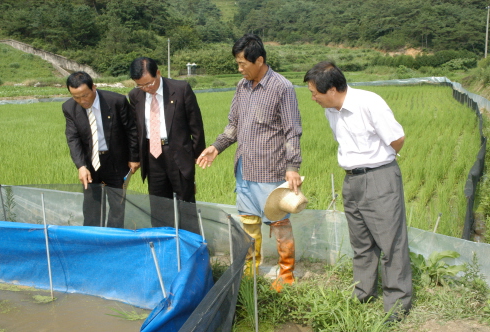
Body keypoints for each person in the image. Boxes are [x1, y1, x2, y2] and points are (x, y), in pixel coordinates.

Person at [303, 61, 412, 322]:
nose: (313, 97)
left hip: (379, 178)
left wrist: (380, 162)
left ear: (331, 89)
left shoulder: (369, 103)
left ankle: (397, 305)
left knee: (391, 243)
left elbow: (397, 139)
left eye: (314, 92)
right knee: (361, 242)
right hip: (351, 181)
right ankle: (363, 293)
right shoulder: (331, 111)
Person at [197, 34, 303, 292]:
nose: (240, 68)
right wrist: (216, 147)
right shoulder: (241, 86)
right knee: (248, 221)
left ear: (259, 60)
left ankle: (286, 274)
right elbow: (234, 124)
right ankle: (251, 269)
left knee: (278, 222)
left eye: (243, 63)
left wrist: (292, 166)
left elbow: (292, 130)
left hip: (271, 168)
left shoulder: (282, 87)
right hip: (244, 167)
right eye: (237, 63)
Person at [128, 57, 205, 229]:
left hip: (177, 152)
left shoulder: (180, 89)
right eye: (140, 85)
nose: (146, 89)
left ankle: (189, 245)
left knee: (185, 203)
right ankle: (163, 244)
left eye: (149, 83)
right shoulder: (135, 96)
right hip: (152, 155)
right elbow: (135, 130)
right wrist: (135, 157)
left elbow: (196, 124)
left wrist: (196, 154)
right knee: (158, 205)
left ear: (158, 73)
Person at [63, 71, 140, 228]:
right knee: (91, 206)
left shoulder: (116, 101)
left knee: (117, 206)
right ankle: (93, 241)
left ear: (94, 88)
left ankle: (113, 240)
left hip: (116, 161)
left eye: (85, 95)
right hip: (90, 163)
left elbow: (132, 130)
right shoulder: (69, 108)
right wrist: (81, 166)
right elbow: (73, 138)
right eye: (76, 97)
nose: (82, 101)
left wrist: (134, 157)